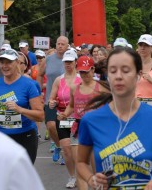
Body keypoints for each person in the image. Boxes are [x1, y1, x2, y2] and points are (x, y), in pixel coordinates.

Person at [77, 47, 152, 189]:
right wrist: (90, 178)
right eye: (112, 71)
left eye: (125, 70)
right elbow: (81, 162)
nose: (118, 76)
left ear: (138, 75)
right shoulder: (91, 120)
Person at [58, 55, 109, 190]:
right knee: (81, 168)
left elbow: (113, 106)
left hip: (96, 130)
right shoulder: (75, 88)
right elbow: (71, 106)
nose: (84, 74)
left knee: (98, 169)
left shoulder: (101, 88)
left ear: (92, 70)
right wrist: (65, 114)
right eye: (81, 72)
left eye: (86, 71)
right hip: (78, 128)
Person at [0, 49, 44, 163]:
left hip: (25, 137)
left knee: (22, 178)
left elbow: (40, 116)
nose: (5, 66)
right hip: (3, 138)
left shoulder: (28, 85)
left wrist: (19, 109)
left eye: (8, 62)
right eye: (2, 62)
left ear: (17, 63)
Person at [48, 49, 81, 188]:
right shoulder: (58, 80)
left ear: (75, 62)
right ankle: (72, 177)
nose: (67, 64)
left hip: (77, 118)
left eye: (70, 62)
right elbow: (51, 98)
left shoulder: (81, 79)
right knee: (66, 150)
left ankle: (82, 176)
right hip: (61, 117)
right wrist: (52, 102)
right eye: (65, 62)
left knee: (77, 151)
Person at [37, 36, 69, 160]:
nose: (60, 46)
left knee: (65, 127)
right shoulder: (48, 59)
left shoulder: (70, 60)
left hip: (66, 102)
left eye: (63, 44)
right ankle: (58, 146)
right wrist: (38, 91)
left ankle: (66, 150)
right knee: (50, 125)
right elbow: (40, 74)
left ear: (67, 46)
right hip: (50, 99)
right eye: (58, 43)